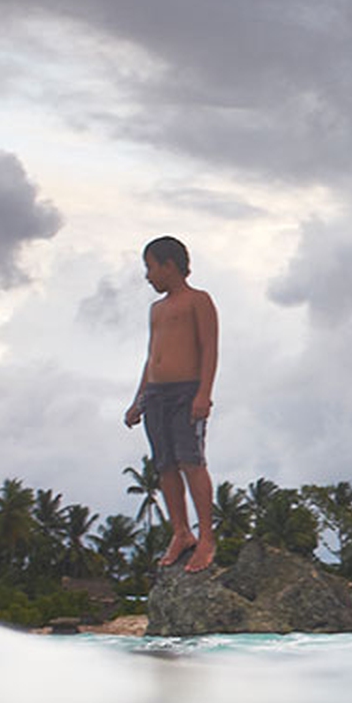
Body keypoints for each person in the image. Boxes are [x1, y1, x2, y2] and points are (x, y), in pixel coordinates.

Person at [123, 236, 220, 572]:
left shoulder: (198, 301)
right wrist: (138, 399)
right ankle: (181, 532)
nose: (148, 276)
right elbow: (151, 357)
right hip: (156, 394)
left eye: (150, 267)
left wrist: (203, 393)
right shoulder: (157, 310)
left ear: (169, 265)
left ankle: (206, 537)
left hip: (187, 390)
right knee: (164, 466)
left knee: (191, 461)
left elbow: (209, 349)